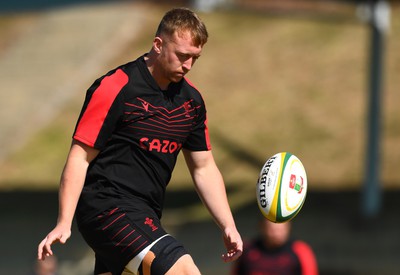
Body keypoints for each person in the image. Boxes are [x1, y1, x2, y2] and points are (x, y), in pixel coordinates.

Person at [37, 7, 243, 275]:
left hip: (146, 216)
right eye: (182, 56)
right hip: (106, 208)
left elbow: (203, 167)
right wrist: (64, 221)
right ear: (158, 45)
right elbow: (79, 158)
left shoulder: (192, 102)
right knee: (184, 271)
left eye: (195, 58)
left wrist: (227, 224)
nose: (188, 65)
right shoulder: (116, 87)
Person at [232, 218, 318, 275]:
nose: (277, 234)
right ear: (262, 227)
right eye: (272, 230)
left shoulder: (300, 250)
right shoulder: (248, 249)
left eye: (281, 230)